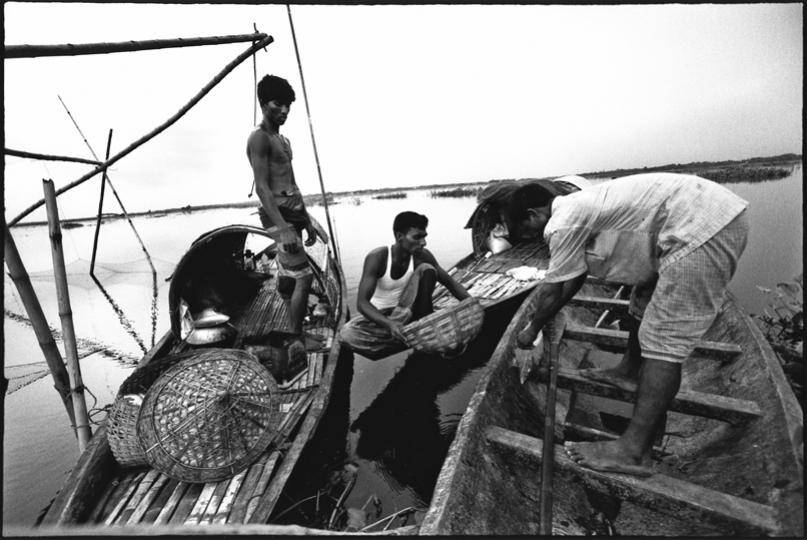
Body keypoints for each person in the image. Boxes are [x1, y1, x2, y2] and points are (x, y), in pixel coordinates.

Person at [509, 172, 749, 476]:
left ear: (533, 214)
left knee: (662, 341)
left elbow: (556, 289)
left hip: (701, 228)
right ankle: (630, 371)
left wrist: (530, 330)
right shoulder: (575, 207)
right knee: (641, 300)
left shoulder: (562, 222)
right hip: (697, 218)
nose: (532, 238)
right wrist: (541, 318)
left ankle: (632, 451)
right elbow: (574, 278)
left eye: (527, 230)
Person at [246, 74, 324, 371]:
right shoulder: (259, 138)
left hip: (291, 211)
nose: (285, 110)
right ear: (264, 103)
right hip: (276, 214)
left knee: (291, 275)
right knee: (304, 277)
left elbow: (291, 183)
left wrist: (304, 221)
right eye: (278, 104)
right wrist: (284, 228)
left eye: (288, 105)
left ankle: (282, 286)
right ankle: (296, 339)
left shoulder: (283, 140)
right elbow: (264, 188)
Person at [339, 211, 471, 359]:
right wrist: (390, 324)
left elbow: (450, 283)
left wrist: (471, 303)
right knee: (347, 334)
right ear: (399, 236)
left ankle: (422, 325)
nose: (423, 242)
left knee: (427, 269)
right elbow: (362, 304)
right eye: (417, 237)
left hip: (408, 312)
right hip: (382, 317)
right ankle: (419, 335)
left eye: (424, 237)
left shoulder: (422, 255)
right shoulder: (378, 257)